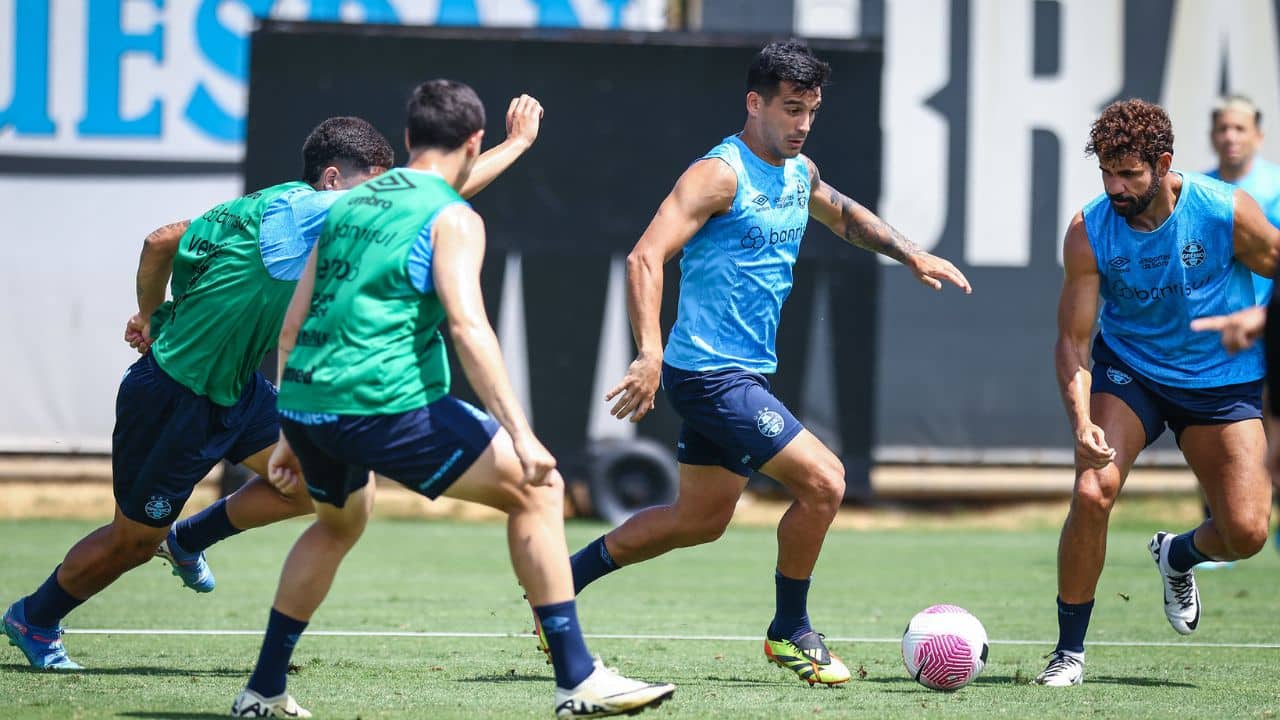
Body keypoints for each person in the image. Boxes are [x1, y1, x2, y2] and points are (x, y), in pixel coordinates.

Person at [3, 98, 544, 672]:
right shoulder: (311, 209)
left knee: (324, 486)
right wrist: (515, 146)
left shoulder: (271, 206)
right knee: (131, 542)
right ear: (333, 178)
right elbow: (436, 198)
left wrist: (149, 314)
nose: (384, 202)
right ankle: (34, 617)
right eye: (374, 188)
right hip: (172, 396)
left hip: (234, 388)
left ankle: (188, 540)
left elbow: (162, 241)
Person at [230, 79, 676, 719]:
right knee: (538, 488)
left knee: (337, 524)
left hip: (307, 402)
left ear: (408, 139)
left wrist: (289, 433)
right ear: (473, 142)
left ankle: (263, 691)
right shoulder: (454, 218)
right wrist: (521, 434)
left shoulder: (347, 205)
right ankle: (578, 678)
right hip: (379, 401)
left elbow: (293, 322)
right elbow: (469, 327)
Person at [560, 39, 971, 688]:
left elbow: (841, 214)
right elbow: (644, 258)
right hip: (708, 376)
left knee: (698, 522)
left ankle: (559, 582)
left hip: (744, 375)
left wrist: (911, 253)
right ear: (755, 104)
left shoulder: (797, 173)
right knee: (827, 482)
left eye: (811, 110)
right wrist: (647, 352)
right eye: (790, 109)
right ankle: (790, 630)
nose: (802, 124)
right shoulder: (717, 174)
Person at [1038, 98, 1278, 687]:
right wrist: (1080, 423)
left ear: (1164, 163)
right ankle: (1069, 652)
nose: (1116, 187)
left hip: (1222, 379)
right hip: (1133, 372)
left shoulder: (1224, 211)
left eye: (1130, 174)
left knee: (1247, 534)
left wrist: (1261, 321)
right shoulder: (1089, 230)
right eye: (1107, 173)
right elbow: (1073, 342)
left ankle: (1178, 555)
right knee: (1093, 490)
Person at [1206, 94, 1280, 304]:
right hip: (1215, 323)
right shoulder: (1199, 190)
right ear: (1212, 136)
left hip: (1270, 319)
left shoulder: (1277, 184)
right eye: (1223, 128)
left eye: (1240, 128)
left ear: (1258, 136)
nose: (1230, 137)